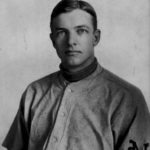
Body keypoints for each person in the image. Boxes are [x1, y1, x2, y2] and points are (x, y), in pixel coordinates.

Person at [2, 0, 150, 149]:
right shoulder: (33, 93)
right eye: (61, 32)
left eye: (81, 31)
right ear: (53, 40)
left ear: (96, 37)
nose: (71, 41)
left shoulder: (127, 99)